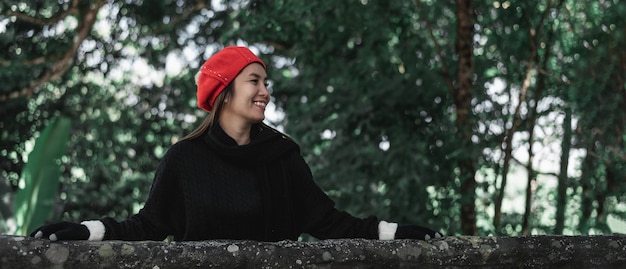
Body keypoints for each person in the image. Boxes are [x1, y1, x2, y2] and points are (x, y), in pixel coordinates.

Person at [31, 46, 442, 242]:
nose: (265, 91)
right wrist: (88, 231)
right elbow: (150, 225)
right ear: (225, 93)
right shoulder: (184, 159)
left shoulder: (283, 156)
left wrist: (392, 231)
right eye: (255, 81)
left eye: (267, 83)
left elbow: (329, 222)